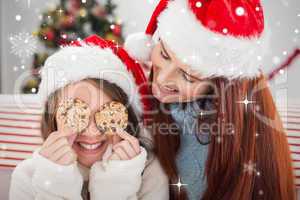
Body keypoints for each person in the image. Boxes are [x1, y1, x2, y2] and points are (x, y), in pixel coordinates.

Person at [125, 0, 296, 199]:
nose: (162, 79)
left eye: (189, 77)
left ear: (219, 85)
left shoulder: (216, 143)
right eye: (164, 54)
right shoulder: (147, 98)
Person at [9, 35, 168, 200]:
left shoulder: (149, 172)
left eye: (105, 111)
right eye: (74, 113)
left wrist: (116, 185)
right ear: (53, 117)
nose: (92, 131)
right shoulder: (27, 177)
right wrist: (54, 184)